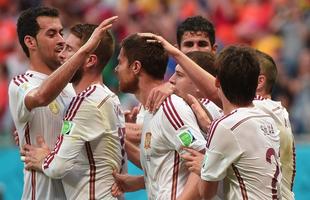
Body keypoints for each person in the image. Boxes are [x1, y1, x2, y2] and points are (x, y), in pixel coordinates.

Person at [9, 6, 117, 199]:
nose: (60, 40)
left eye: (61, 32)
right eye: (51, 34)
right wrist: (82, 52)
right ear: (30, 42)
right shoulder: (21, 84)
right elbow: (41, 97)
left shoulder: (73, 88)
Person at [112, 34, 207, 200]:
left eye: (120, 62)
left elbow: (203, 163)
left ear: (135, 67)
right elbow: (160, 161)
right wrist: (139, 181)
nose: (116, 69)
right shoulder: (148, 110)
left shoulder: (170, 108)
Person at [189, 45, 281, 199]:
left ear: (217, 82)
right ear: (255, 82)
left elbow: (206, 193)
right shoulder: (267, 118)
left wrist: (204, 167)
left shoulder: (225, 125)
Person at [253, 50, 296, 200]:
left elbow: (216, 92)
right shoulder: (276, 109)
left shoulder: (258, 108)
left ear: (260, 81)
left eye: (242, 71)